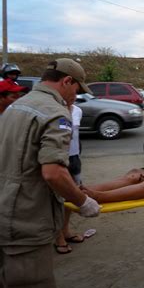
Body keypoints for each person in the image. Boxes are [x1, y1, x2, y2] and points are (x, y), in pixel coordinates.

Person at [0, 58, 101, 288]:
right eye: (76, 89)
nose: (75, 96)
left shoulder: (17, 106)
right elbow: (53, 172)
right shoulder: (55, 114)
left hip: (4, 207)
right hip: (25, 219)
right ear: (67, 81)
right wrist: (82, 202)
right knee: (30, 286)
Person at [55, 104, 86, 254]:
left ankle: (65, 230)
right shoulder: (51, 108)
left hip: (73, 157)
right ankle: (58, 236)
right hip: (56, 159)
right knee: (55, 199)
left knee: (71, 195)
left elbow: (75, 136)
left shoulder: (77, 110)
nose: (74, 95)